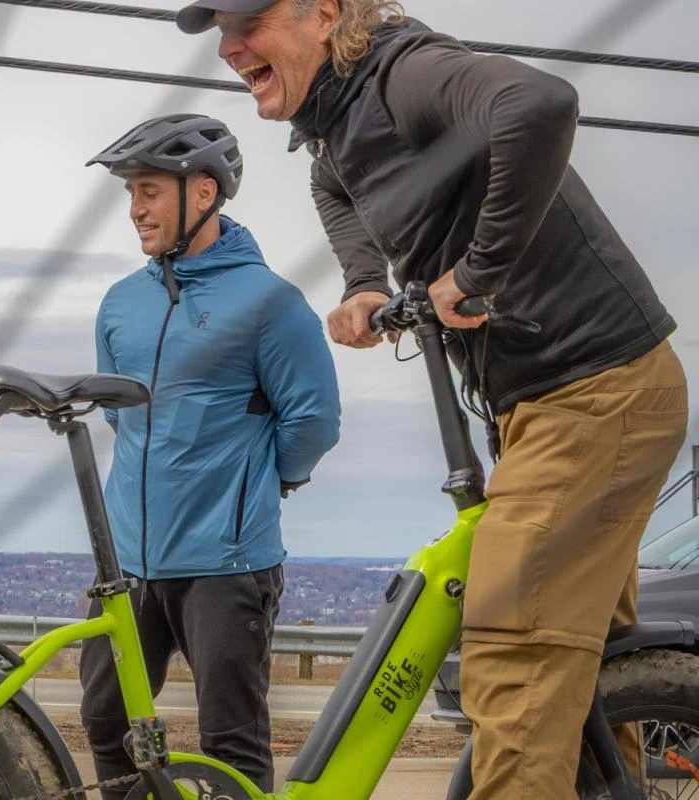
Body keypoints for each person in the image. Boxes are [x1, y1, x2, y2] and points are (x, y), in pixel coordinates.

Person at [176, 1, 689, 795]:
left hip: (593, 388)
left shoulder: (404, 74)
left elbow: (540, 103)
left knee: (515, 655)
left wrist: (478, 273)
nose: (230, 46)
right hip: (547, 402)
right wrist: (364, 284)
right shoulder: (334, 131)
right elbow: (335, 189)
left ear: (325, 14)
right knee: (573, 662)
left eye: (250, 19)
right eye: (222, 31)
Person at [79, 113, 341, 796]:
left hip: (226, 563)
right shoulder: (120, 303)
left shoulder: (269, 302)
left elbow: (314, 420)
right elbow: (117, 412)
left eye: (148, 191)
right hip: (128, 562)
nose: (135, 210)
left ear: (203, 192)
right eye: (131, 193)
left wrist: (260, 485)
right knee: (106, 721)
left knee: (230, 741)